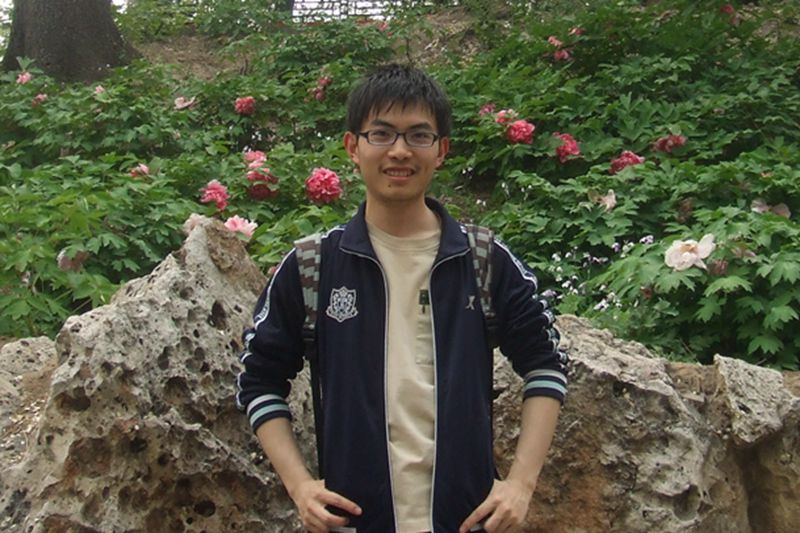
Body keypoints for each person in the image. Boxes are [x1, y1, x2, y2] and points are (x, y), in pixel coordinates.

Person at [236, 63, 568, 533]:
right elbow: (259, 380)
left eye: (418, 135)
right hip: (355, 523)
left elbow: (545, 363)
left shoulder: (482, 260)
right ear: (353, 147)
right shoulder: (313, 265)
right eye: (381, 133)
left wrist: (521, 485)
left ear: (441, 150)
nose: (399, 151)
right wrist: (300, 485)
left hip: (466, 520)